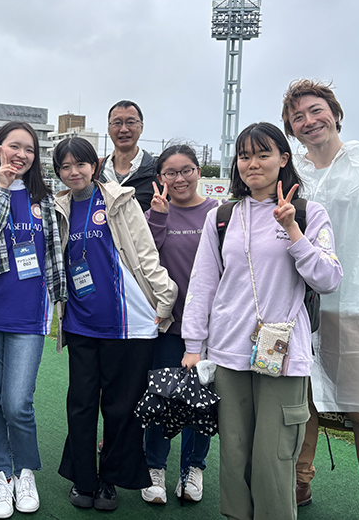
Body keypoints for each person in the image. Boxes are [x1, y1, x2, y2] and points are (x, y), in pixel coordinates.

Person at [181, 122, 343, 520]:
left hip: (283, 355)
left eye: (263, 154)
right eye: (244, 156)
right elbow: (203, 283)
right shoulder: (222, 217)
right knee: (234, 455)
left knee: (275, 458)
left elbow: (328, 279)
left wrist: (291, 229)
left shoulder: (308, 213)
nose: (252, 163)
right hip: (229, 352)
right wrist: (192, 345)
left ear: (283, 159)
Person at [282, 79, 359, 520]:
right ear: (292, 129)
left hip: (353, 302)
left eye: (315, 110)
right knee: (303, 402)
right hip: (299, 307)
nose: (308, 121)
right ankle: (299, 483)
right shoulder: (293, 174)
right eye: (298, 117)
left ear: (334, 112)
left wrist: (358, 276)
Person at [52, 137, 177, 512]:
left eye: (81, 164)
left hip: (128, 324)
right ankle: (83, 479)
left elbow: (144, 252)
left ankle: (109, 480)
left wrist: (165, 296)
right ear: (58, 172)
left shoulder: (120, 201)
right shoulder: (57, 207)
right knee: (82, 403)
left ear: (95, 165)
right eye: (65, 167)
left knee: (122, 408)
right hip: (80, 323)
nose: (74, 172)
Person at [0, 121, 67, 519]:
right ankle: (1, 475)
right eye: (14, 147)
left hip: (29, 315)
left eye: (29, 149)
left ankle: (25, 470)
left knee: (17, 402)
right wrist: (3, 189)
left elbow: (55, 255)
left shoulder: (47, 197)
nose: (21, 155)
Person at [140, 145, 219, 505]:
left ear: (198, 171)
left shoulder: (218, 214)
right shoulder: (153, 214)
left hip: (208, 329)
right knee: (161, 397)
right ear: (161, 178)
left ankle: (193, 468)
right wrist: (158, 218)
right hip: (167, 326)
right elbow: (143, 263)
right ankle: (154, 468)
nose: (180, 178)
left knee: (200, 402)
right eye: (171, 173)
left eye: (186, 170)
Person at [98, 100, 157, 212]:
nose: (124, 129)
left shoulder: (157, 170)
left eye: (130, 122)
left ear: (141, 127)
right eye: (117, 123)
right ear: (108, 129)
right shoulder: (96, 171)